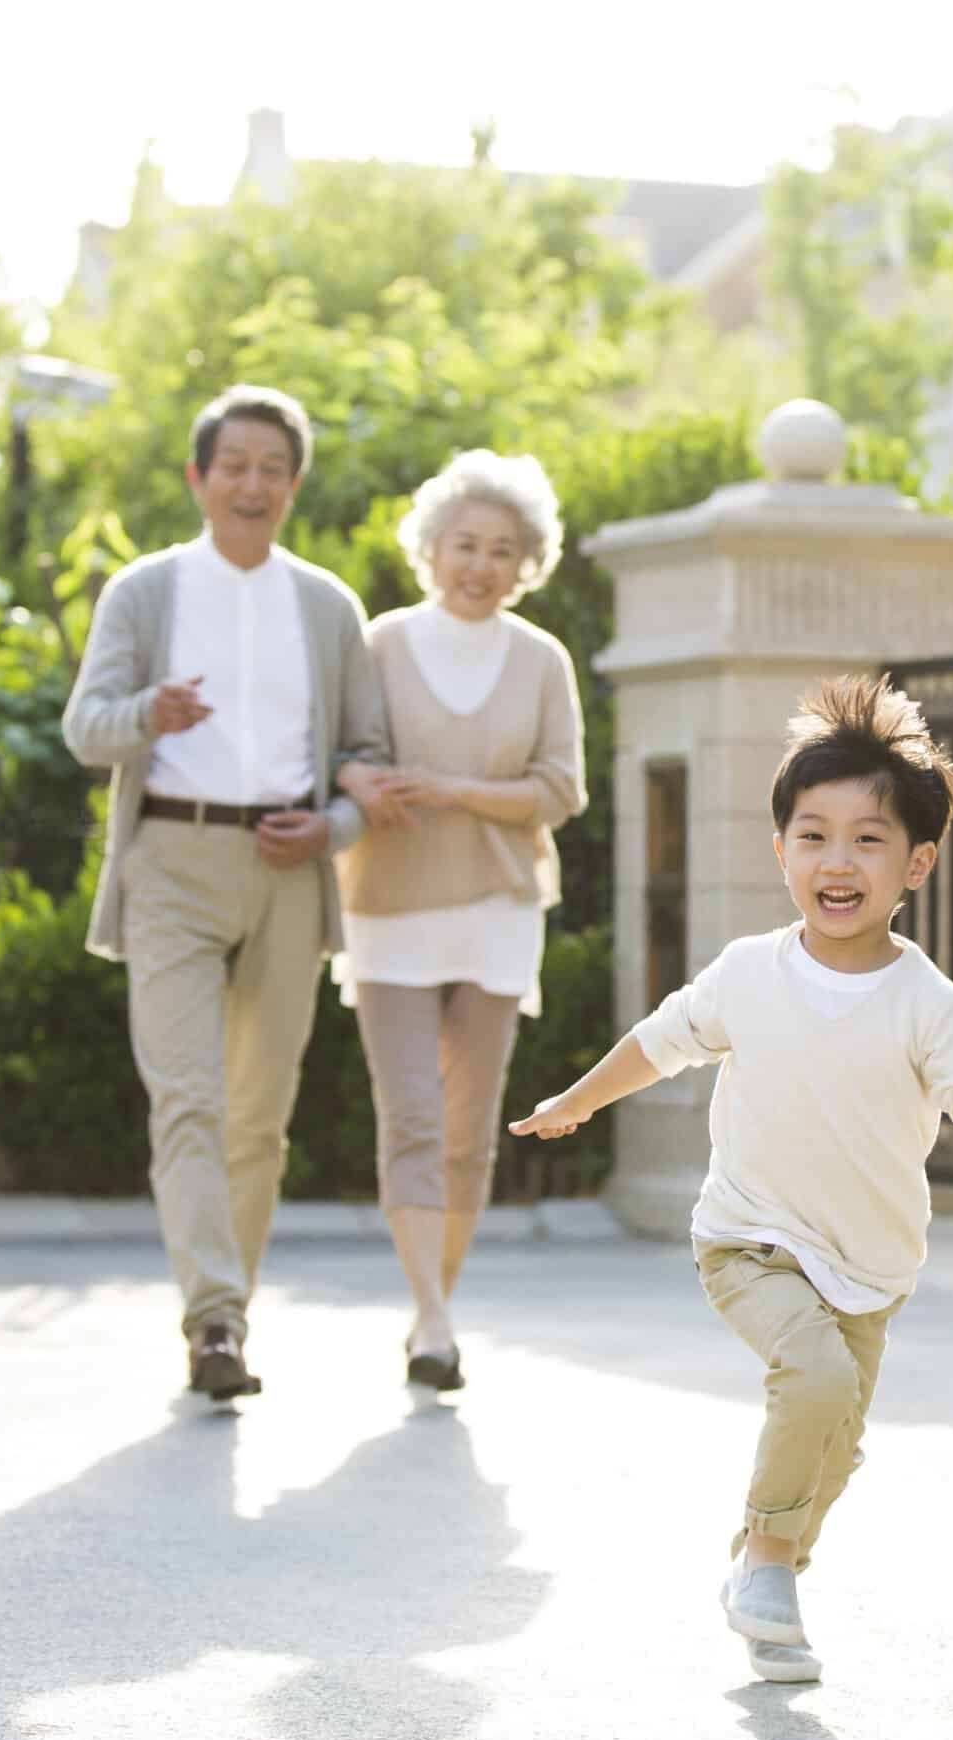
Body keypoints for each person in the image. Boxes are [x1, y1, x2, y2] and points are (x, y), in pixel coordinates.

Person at [509, 675, 953, 1685]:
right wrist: (580, 1099)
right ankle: (769, 1561)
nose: (837, 861)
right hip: (748, 1238)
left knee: (835, 1444)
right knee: (810, 1384)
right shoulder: (749, 971)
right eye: (813, 836)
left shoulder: (923, 1003)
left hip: (871, 1264)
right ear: (781, 852)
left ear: (918, 863)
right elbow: (663, 1039)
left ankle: (768, 1571)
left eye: (868, 839)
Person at [61, 385, 390, 1402]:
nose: (252, 484)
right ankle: (214, 1319)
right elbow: (85, 729)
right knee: (189, 1098)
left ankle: (226, 1313)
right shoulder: (146, 592)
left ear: (293, 484)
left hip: (288, 869)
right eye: (233, 466)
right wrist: (148, 714)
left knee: (259, 1115)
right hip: (170, 860)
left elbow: (370, 759)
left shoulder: (328, 607)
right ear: (200, 478)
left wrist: (329, 828)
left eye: (272, 469)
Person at [335, 449, 586, 1392]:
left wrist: (453, 790)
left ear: (527, 563)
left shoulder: (541, 659)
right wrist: (366, 780)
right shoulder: (381, 644)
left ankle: (431, 1307)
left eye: (502, 550)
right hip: (389, 907)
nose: (480, 565)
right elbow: (341, 754)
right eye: (465, 545)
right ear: (431, 549)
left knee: (469, 1129)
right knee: (408, 1115)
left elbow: (561, 789)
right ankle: (434, 1320)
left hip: (495, 913)